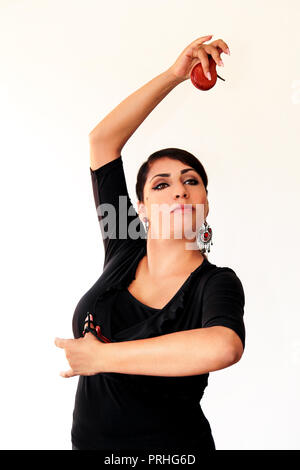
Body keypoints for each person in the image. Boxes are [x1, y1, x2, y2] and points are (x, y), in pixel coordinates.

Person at [55, 35, 245, 451]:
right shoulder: (124, 244)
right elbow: (103, 142)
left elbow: (223, 345)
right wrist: (175, 75)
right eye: (163, 184)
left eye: (191, 182)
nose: (179, 190)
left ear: (205, 203)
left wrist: (101, 358)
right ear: (140, 208)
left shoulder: (215, 284)